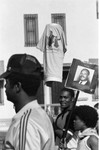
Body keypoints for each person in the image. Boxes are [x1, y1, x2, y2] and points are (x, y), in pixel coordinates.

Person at [0, 53, 55, 150]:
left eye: (7, 82)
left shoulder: (25, 123)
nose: (5, 86)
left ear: (17, 86)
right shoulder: (40, 115)